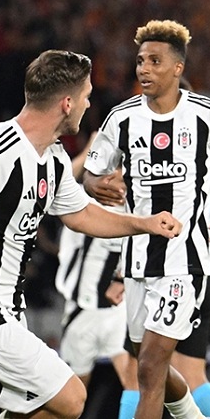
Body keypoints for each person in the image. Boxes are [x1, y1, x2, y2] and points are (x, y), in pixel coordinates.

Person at [0, 49, 182, 419]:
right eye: (86, 96)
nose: (88, 104)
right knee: (71, 399)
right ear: (67, 103)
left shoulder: (53, 157)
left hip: (5, 310)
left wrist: (145, 224)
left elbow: (81, 215)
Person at [82, 19, 210, 419]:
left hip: (185, 262)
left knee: (149, 366)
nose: (144, 68)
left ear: (178, 68)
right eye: (140, 60)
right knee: (150, 364)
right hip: (137, 262)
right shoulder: (121, 119)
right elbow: (91, 173)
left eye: (154, 61)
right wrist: (95, 184)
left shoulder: (208, 115)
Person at [54, 133, 134, 392]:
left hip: (118, 311)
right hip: (82, 310)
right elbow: (56, 180)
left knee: (135, 384)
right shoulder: (82, 200)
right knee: (73, 396)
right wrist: (89, 149)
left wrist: (122, 279)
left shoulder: (137, 208)